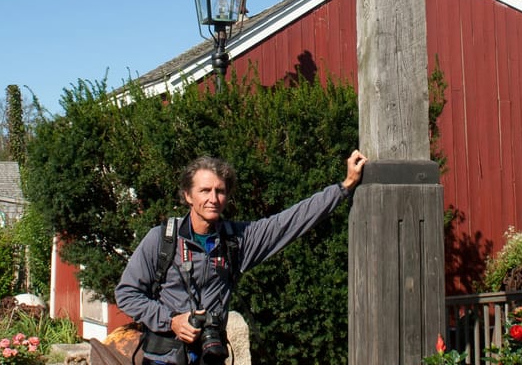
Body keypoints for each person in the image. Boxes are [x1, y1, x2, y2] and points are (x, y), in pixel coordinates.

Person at [115, 149, 368, 365]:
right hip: (164, 357)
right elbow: (126, 294)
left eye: (220, 191)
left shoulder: (237, 241)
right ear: (188, 196)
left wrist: (344, 187)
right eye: (204, 191)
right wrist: (171, 321)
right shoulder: (162, 240)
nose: (213, 199)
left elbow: (291, 222)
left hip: (210, 356)